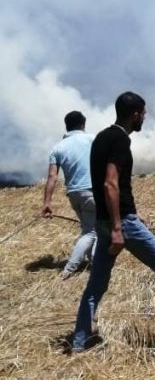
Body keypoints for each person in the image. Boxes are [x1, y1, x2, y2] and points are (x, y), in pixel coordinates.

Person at [72, 92, 155, 354]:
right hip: (119, 223)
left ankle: (79, 342)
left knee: (96, 285)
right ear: (135, 115)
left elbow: (112, 185)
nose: (145, 117)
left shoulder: (102, 137)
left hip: (104, 221)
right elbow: (110, 183)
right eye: (143, 113)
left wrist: (131, 211)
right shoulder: (120, 140)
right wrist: (119, 226)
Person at [41, 111, 97, 280]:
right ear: (83, 124)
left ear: (66, 126)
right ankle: (69, 269)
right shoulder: (93, 139)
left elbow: (52, 177)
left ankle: (94, 263)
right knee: (92, 232)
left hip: (73, 194)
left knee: (89, 228)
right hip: (92, 191)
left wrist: (47, 202)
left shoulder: (57, 148)